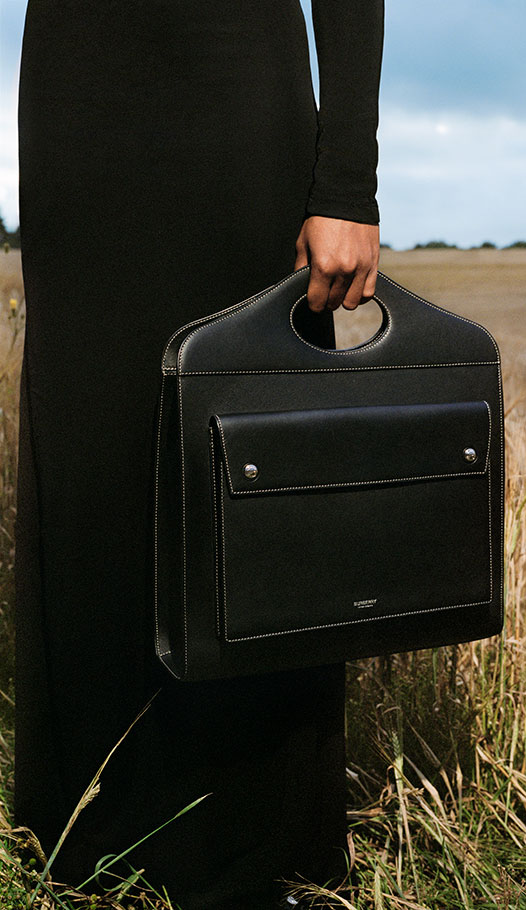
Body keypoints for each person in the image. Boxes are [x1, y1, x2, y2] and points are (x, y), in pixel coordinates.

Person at [14, 1, 384, 907]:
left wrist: (347, 183)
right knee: (90, 457)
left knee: (248, 471)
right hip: (77, 99)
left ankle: (260, 852)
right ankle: (87, 840)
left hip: (240, 96)